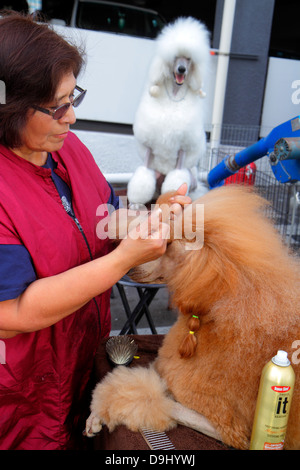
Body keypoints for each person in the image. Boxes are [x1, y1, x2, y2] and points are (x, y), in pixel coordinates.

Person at [0, 12, 191, 450]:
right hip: (23, 394)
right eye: (57, 106)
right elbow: (12, 316)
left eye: (74, 98)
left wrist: (150, 218)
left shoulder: (67, 149)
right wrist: (124, 258)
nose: (71, 118)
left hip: (80, 356)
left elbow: (99, 217)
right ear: (9, 108)